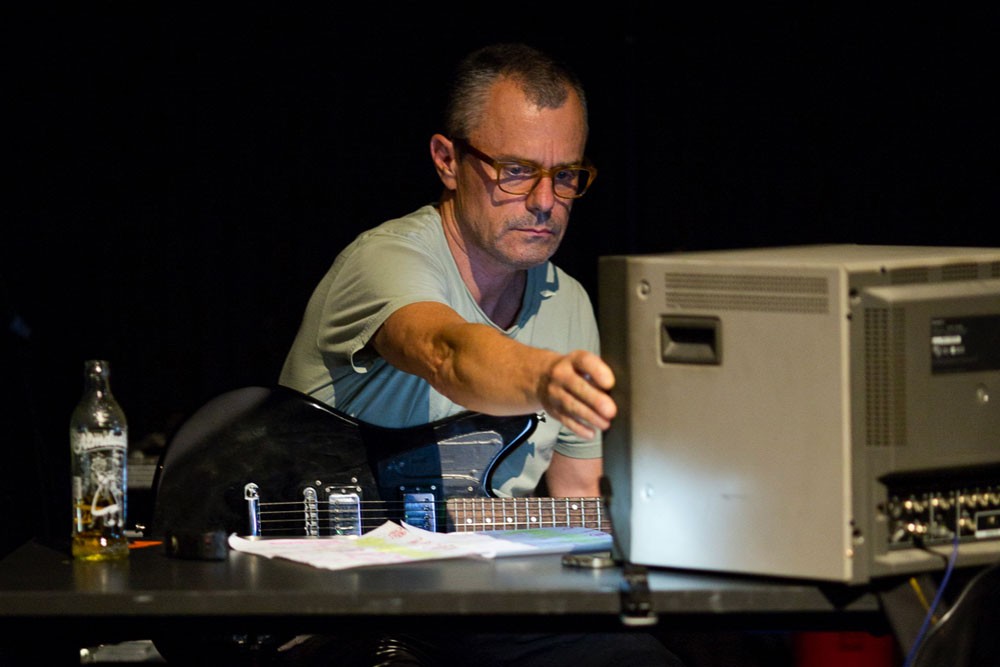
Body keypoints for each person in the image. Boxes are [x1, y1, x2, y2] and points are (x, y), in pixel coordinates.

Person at [277, 42, 683, 667]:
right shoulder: (386, 259)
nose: (544, 201)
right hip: (340, 598)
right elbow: (447, 352)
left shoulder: (569, 302)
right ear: (447, 160)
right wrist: (545, 377)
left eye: (566, 176)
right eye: (516, 171)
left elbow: (579, 504)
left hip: (482, 604)